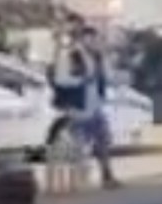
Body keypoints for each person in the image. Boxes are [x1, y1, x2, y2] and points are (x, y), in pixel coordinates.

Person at [49, 20, 120, 189]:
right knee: (77, 146)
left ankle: (107, 175)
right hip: (77, 106)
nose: (93, 43)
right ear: (82, 39)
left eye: (95, 40)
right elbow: (61, 80)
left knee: (103, 139)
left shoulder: (97, 57)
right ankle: (74, 180)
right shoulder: (71, 55)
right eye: (90, 39)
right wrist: (81, 80)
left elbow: (104, 78)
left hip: (94, 105)